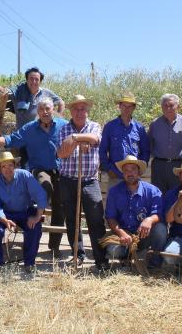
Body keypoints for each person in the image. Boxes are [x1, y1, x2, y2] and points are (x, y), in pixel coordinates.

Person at [0, 98, 67, 253]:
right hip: (40, 169)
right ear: (38, 112)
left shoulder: (63, 125)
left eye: (48, 108)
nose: (45, 112)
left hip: (61, 171)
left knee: (60, 208)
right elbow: (12, 139)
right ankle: (35, 214)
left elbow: (76, 132)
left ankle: (54, 246)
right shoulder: (30, 129)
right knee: (45, 186)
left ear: (53, 109)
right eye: (41, 109)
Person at [57, 95, 108, 270]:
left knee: (96, 219)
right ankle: (77, 254)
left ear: (87, 111)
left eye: (83, 109)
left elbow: (95, 139)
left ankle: (101, 259)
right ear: (71, 111)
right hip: (67, 179)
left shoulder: (95, 126)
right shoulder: (63, 129)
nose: (79, 112)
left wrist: (75, 138)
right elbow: (62, 153)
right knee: (72, 220)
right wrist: (79, 141)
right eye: (76, 109)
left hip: (89, 181)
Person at [0, 66, 65, 168]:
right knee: (26, 166)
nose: (33, 82)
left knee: (47, 165)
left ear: (40, 81)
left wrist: (58, 118)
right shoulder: (18, 91)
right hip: (24, 136)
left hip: (42, 136)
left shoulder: (46, 93)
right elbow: (4, 91)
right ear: (27, 80)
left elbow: (61, 102)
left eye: (36, 79)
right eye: (31, 79)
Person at [0, 151, 47, 272]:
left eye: (10, 165)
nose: (7, 169)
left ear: (15, 165)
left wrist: (37, 217)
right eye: (4, 166)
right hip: (6, 213)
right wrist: (4, 220)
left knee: (35, 228)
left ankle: (29, 263)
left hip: (25, 211)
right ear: (0, 168)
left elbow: (40, 195)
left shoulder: (25, 175)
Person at [104, 155, 167, 268]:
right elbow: (111, 218)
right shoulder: (114, 192)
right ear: (123, 173)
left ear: (139, 172)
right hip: (124, 235)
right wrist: (121, 233)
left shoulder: (152, 191)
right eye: (126, 170)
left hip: (143, 235)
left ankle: (154, 265)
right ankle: (125, 259)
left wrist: (149, 219)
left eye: (133, 169)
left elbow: (159, 213)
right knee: (113, 251)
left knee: (161, 229)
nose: (130, 173)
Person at [99, 92, 150, 193]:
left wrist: (140, 169)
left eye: (130, 106)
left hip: (134, 177)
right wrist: (108, 169)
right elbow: (102, 150)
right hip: (115, 176)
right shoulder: (110, 127)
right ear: (119, 106)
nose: (126, 109)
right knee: (114, 206)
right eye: (124, 106)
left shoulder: (139, 128)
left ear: (134, 108)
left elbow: (146, 151)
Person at [147, 93, 182, 193]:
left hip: (180, 167)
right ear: (161, 107)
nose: (168, 108)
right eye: (165, 106)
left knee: (178, 197)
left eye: (171, 105)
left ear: (178, 106)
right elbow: (149, 146)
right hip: (159, 167)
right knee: (158, 196)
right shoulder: (155, 124)